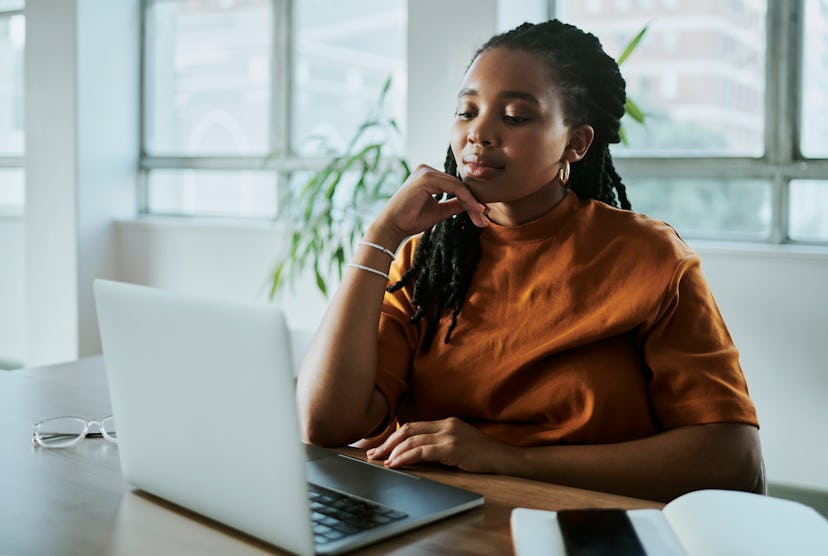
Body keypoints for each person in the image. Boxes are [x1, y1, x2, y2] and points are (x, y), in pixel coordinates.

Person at [296, 19, 762, 503]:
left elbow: (731, 457)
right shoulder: (426, 257)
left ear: (575, 144)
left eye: (515, 116)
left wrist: (505, 457)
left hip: (585, 524)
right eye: (466, 110)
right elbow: (325, 424)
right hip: (439, 517)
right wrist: (381, 237)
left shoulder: (648, 256)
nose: (478, 133)